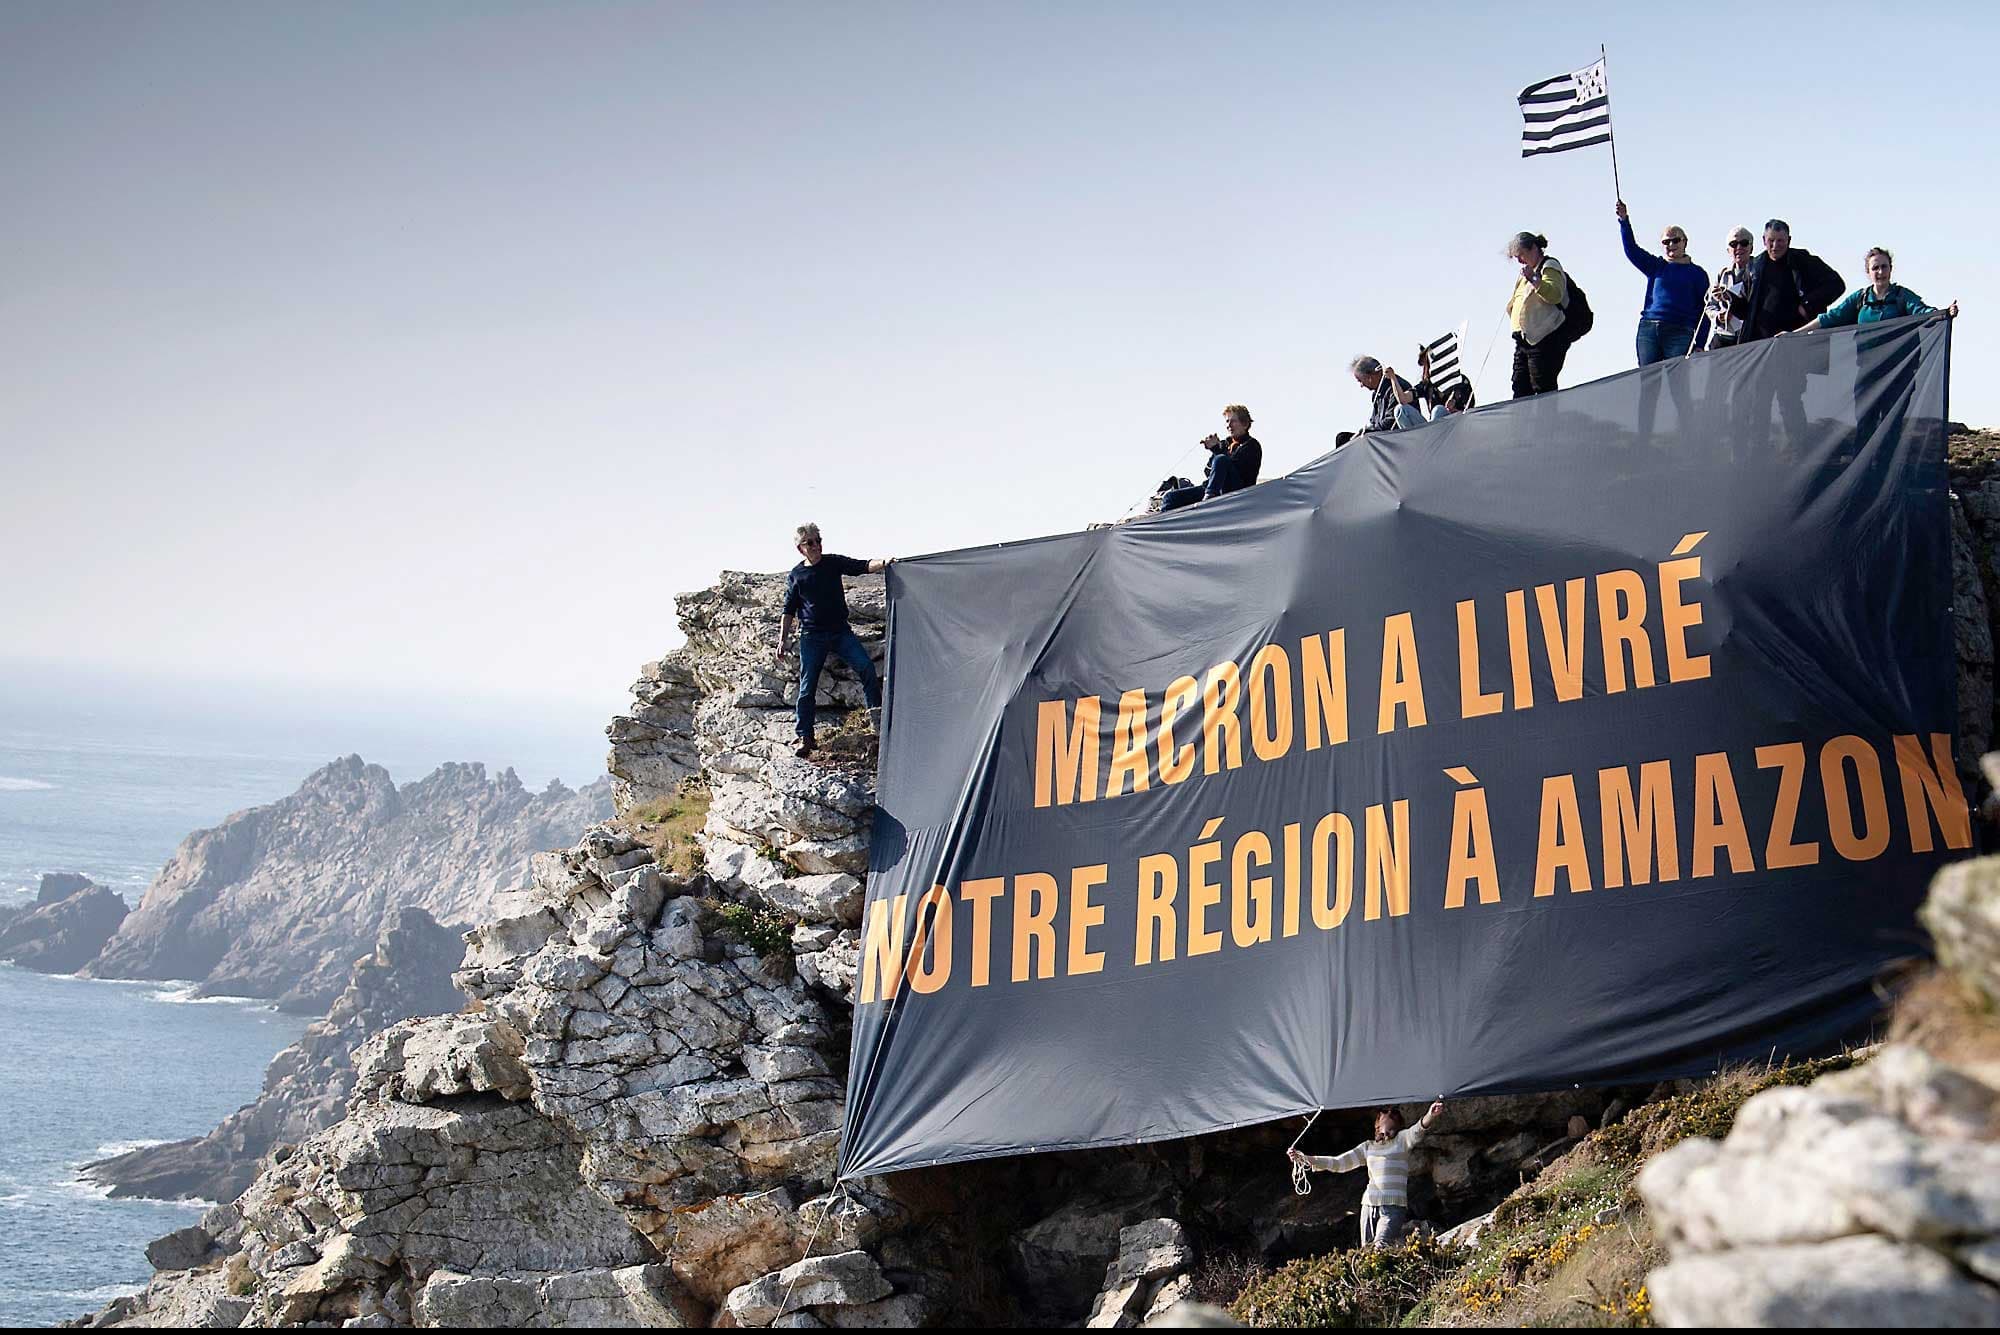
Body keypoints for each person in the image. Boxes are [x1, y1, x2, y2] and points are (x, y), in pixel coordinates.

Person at [772, 524, 888, 758]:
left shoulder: (833, 562)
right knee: (807, 687)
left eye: (818, 540)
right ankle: (805, 737)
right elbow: (789, 609)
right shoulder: (797, 575)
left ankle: (878, 724)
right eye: (810, 543)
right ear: (800, 549)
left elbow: (862, 566)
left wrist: (886, 562)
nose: (816, 546)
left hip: (840, 632)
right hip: (812, 636)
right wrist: (782, 640)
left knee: (866, 667)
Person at [1290, 1101, 1447, 1248]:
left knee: (1381, 1246)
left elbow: (1418, 1129)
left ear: (1399, 1124)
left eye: (1394, 1112)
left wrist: (1431, 1114)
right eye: (1386, 1111)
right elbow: (1339, 1163)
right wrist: (1305, 1159)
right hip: (1368, 1205)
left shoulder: (1402, 1140)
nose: (1391, 1111)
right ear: (1377, 1124)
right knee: (1367, 1250)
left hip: (1393, 1207)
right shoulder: (1367, 1147)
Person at [1615, 202, 1708, 364]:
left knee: (1678, 382)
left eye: (1675, 240)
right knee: (1649, 383)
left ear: (1685, 242)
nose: (1671, 245)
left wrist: (1700, 343)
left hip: (1681, 331)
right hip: (1649, 329)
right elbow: (1632, 250)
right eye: (1666, 242)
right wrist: (1624, 220)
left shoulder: (1698, 274)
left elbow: (1705, 310)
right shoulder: (1656, 266)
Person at [1790, 247, 1958, 331]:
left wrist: (1945, 313)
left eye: (1884, 267)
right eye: (1875, 268)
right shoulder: (1860, 299)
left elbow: (1924, 313)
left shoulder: (1902, 296)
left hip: (1898, 370)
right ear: (1868, 272)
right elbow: (1830, 318)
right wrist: (1796, 333)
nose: (1880, 272)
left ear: (1890, 269)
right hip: (1866, 370)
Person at [1732, 219, 1844, 343]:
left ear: (1789, 240)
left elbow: (1836, 284)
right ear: (1764, 240)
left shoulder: (1803, 261)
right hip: (1763, 343)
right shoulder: (1754, 268)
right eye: (1771, 241)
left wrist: (1808, 305)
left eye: (1780, 241)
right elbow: (1746, 312)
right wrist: (1728, 299)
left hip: (1797, 338)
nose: (1775, 246)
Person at [1158, 405, 1262, 512]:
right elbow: (1208, 472)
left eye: (1233, 421)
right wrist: (1215, 450)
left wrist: (1217, 450)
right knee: (1170, 497)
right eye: (1227, 422)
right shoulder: (1225, 444)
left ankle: (1209, 501)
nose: (1229, 425)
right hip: (1211, 489)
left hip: (1237, 492)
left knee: (1221, 459)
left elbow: (1231, 468)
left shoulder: (1252, 445)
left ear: (1245, 424)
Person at [1505, 232, 1569, 397]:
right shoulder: (1525, 274)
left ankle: (1547, 422)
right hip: (1523, 340)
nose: (1519, 261)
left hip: (1543, 339)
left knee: (1542, 388)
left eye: (1521, 255)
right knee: (1519, 388)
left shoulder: (1549, 266)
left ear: (1533, 248)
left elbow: (1555, 294)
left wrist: (1535, 279)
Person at [1704, 227, 1756, 350]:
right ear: (1728, 250)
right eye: (1733, 244)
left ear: (1751, 248)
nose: (1739, 248)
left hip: (1749, 337)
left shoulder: (1759, 272)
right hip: (1723, 335)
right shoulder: (1722, 274)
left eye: (1743, 243)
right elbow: (1710, 305)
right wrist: (1718, 316)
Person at [1350, 357, 1415, 433]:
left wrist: (1371, 431)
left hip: (1400, 435)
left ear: (1370, 376)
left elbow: (1391, 421)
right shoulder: (1376, 394)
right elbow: (1373, 422)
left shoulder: (1396, 387)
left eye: (1360, 380)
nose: (1361, 385)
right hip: (1385, 435)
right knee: (1342, 437)